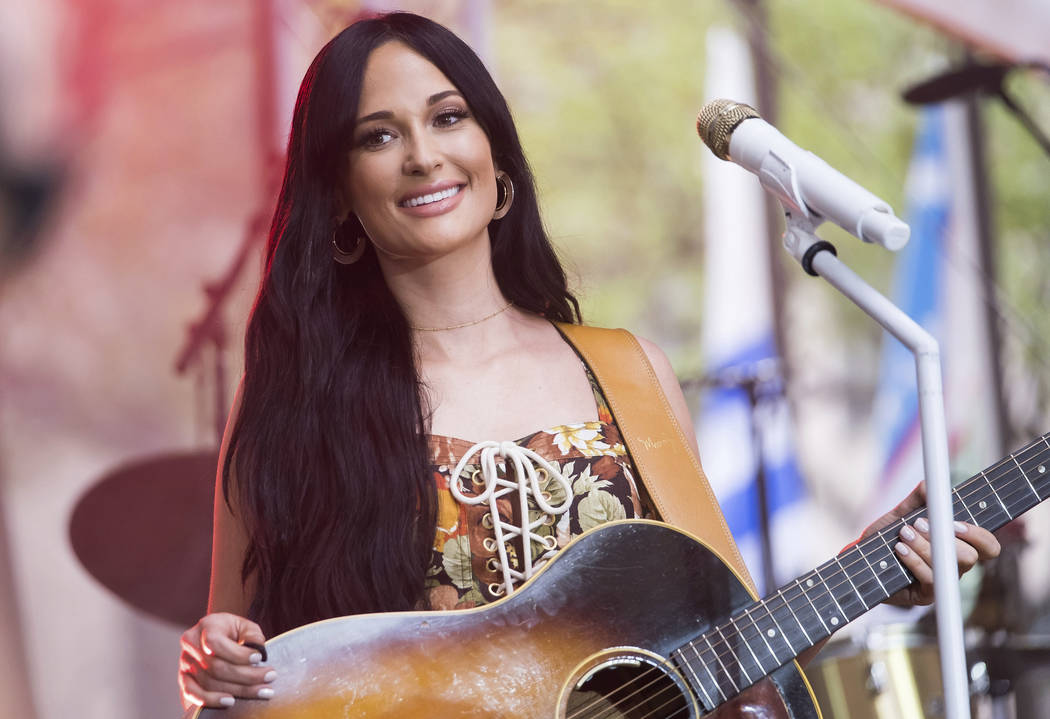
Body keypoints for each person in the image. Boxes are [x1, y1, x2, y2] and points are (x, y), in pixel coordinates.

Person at [178, 11, 1000, 712]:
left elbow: (723, 648)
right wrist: (210, 664)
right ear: (341, 194)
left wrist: (873, 566)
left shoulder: (629, 372)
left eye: (448, 116)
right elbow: (238, 673)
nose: (423, 155)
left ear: (498, 161)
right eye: (378, 135)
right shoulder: (294, 406)